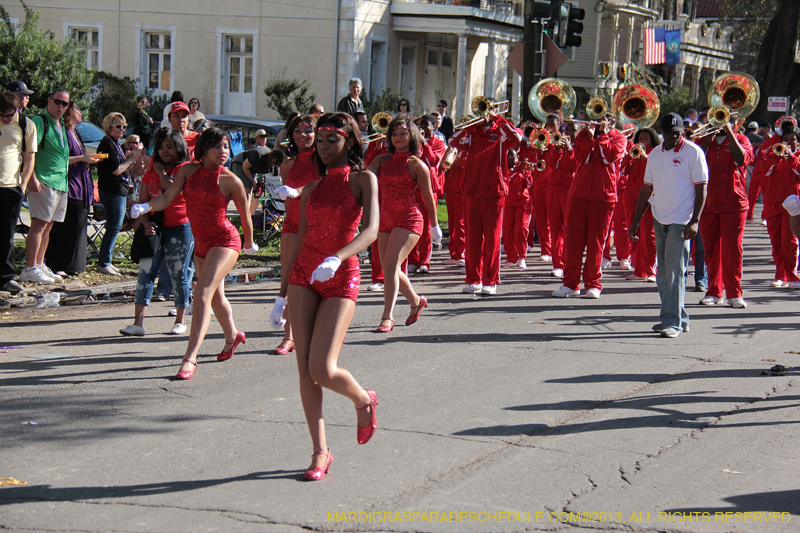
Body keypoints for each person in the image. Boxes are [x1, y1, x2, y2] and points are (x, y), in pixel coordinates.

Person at [284, 112, 379, 480]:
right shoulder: (310, 189)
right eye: (320, 141)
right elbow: (301, 240)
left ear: (350, 142)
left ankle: (362, 398)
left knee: (322, 368)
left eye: (332, 140)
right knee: (305, 372)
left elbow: (370, 230)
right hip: (303, 275)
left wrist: (338, 257)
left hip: (340, 276)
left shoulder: (363, 179)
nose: (323, 148)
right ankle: (320, 451)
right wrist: (281, 296)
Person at [130, 127, 256, 380]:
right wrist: (147, 206)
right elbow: (167, 198)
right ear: (203, 148)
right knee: (216, 296)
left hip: (225, 240)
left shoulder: (230, 179)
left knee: (203, 291)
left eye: (226, 147)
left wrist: (250, 243)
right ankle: (232, 337)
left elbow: (245, 216)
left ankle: (190, 357)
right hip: (201, 245)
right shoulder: (188, 171)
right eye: (217, 146)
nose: (223, 152)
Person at [629, 113, 708, 338]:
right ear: (662, 133)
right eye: (669, 133)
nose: (674, 137)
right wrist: (635, 222)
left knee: (674, 271)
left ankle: (671, 321)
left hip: (681, 221)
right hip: (659, 217)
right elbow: (646, 189)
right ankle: (679, 318)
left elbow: (702, 188)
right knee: (663, 274)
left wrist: (695, 220)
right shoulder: (654, 154)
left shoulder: (693, 152)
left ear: (682, 131)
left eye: (677, 133)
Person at [368, 115, 440, 332]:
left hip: (409, 218)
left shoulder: (417, 164)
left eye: (403, 133)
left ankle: (387, 316)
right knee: (389, 267)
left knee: (390, 266)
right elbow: (362, 179)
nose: (398, 138)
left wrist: (435, 226)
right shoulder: (381, 160)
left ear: (412, 136)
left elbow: (428, 197)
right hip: (385, 218)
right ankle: (416, 302)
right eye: (394, 134)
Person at [120, 129, 195, 336]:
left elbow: (172, 192)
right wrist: (144, 223)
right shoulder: (150, 173)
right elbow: (143, 202)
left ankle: (180, 320)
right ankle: (138, 323)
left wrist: (162, 173)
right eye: (161, 147)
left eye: (170, 147)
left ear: (179, 147)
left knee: (178, 274)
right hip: (155, 228)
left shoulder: (184, 169)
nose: (165, 151)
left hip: (180, 228)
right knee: (145, 274)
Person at [552, 112, 627, 299]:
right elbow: (582, 158)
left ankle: (593, 284)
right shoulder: (582, 135)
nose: (600, 120)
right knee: (573, 243)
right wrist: (590, 137)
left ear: (612, 121)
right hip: (579, 194)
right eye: (597, 116)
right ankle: (570, 284)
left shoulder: (619, 138)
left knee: (596, 244)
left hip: (604, 196)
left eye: (605, 117)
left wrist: (601, 136)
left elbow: (607, 157)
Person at [456, 110, 522, 294]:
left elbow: (517, 137)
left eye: (487, 111)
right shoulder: (472, 133)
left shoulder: (501, 131)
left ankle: (489, 281)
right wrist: (469, 127)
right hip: (472, 191)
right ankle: (472, 279)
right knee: (472, 238)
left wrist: (498, 119)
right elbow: (453, 141)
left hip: (494, 191)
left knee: (492, 239)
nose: (484, 115)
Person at [269, 115, 318, 355]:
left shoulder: (323, 160)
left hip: (319, 226)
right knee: (288, 278)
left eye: (308, 130)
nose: (302, 135)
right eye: (297, 130)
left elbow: (323, 184)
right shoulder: (287, 164)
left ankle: (318, 330)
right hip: (292, 224)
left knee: (316, 280)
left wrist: (298, 191)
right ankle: (288, 335)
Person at [697, 118, 753, 308]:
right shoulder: (704, 141)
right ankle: (714, 291)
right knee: (711, 250)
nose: (719, 122)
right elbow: (695, 162)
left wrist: (729, 132)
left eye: (723, 118)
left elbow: (742, 159)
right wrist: (708, 139)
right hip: (708, 204)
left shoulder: (741, 139)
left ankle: (734, 293)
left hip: (734, 203)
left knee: (733, 249)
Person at [22, 88, 72, 285]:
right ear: (49, 101)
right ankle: (30, 267)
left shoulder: (61, 125)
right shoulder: (39, 121)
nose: (61, 106)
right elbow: (28, 151)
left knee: (49, 226)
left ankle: (40, 263)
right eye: (57, 102)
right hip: (43, 180)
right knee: (39, 224)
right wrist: (32, 176)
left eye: (65, 104)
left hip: (60, 182)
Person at [45, 101, 99, 277]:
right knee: (69, 225)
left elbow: (81, 156)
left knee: (79, 225)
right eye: (78, 109)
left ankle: (74, 265)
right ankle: (60, 264)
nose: (81, 112)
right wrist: (83, 158)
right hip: (70, 185)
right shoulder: (65, 133)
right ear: (70, 112)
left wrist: (87, 160)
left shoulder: (76, 131)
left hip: (82, 183)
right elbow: (64, 159)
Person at [95, 112, 143, 276]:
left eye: (124, 127)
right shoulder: (106, 145)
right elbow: (115, 170)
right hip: (112, 190)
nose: (122, 129)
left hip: (119, 189)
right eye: (118, 126)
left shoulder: (115, 143)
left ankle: (106, 260)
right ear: (109, 127)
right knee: (114, 226)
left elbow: (123, 168)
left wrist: (132, 159)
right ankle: (104, 262)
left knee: (115, 225)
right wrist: (131, 160)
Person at [0, 90, 36, 294]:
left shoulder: (26, 125)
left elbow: (29, 158)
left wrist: (22, 186)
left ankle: (5, 278)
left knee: (7, 235)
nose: (5, 119)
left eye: (8, 115)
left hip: (11, 187)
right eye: (1, 115)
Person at [760, 128, 800, 289]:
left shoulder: (796, 157)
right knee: (776, 242)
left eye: (793, 139)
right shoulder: (774, 155)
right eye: (786, 139)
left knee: (789, 242)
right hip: (773, 204)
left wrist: (790, 157)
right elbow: (765, 171)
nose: (789, 143)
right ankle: (780, 275)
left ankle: (792, 276)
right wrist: (776, 156)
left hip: (792, 206)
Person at [407, 115, 445, 274]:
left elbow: (434, 161)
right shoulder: (412, 143)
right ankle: (413, 259)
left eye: (426, 125)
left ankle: (425, 260)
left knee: (427, 225)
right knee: (411, 224)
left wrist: (424, 144)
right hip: (412, 186)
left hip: (429, 186)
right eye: (420, 125)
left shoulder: (439, 143)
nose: (423, 128)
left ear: (433, 126)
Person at [622, 127, 660, 282]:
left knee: (649, 234)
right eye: (640, 139)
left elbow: (657, 172)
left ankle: (650, 270)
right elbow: (623, 171)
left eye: (646, 139)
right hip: (631, 196)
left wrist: (645, 157)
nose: (642, 142)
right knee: (633, 234)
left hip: (647, 198)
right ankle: (638, 270)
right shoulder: (634, 153)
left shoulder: (656, 154)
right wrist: (628, 157)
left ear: (652, 140)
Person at [546, 121, 578, 278]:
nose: (570, 132)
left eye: (574, 130)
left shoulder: (580, 148)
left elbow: (575, 166)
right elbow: (551, 164)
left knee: (569, 229)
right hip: (553, 189)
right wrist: (558, 149)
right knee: (555, 228)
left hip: (570, 190)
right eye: (569, 129)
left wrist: (570, 149)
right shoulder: (555, 146)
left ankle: (568, 262)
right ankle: (557, 264)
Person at [501, 150, 531, 270]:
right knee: (508, 231)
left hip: (523, 203)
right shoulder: (503, 170)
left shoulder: (522, 170)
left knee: (521, 229)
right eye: (510, 156)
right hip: (508, 204)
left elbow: (529, 184)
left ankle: (522, 257)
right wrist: (519, 170)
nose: (513, 158)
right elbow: (506, 180)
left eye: (514, 156)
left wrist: (526, 171)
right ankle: (511, 258)